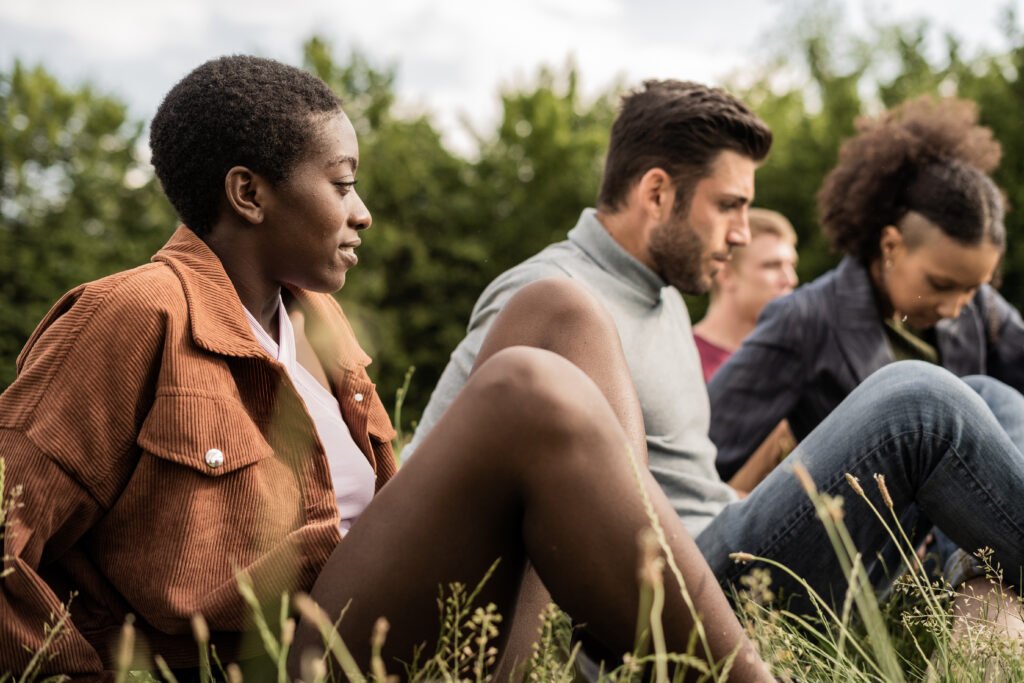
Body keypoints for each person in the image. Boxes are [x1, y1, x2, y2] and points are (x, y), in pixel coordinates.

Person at [0, 56, 774, 680]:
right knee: (527, 391)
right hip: (287, 661)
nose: (361, 210)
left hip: (408, 632)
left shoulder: (315, 322)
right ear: (248, 194)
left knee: (560, 312)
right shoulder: (135, 314)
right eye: (341, 184)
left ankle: (637, 648)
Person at [407, 80, 1024, 637]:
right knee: (921, 401)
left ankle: (985, 579)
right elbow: (440, 485)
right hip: (684, 593)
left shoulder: (664, 300)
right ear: (656, 192)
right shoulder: (548, 297)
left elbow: (703, 471)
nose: (742, 230)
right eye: (729, 205)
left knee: (985, 393)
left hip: (734, 551)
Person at [708, 96, 1024, 482]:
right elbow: (701, 451)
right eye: (940, 285)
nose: (955, 307)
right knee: (971, 395)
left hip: (978, 528)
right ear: (891, 246)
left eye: (974, 288)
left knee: (993, 401)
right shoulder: (805, 319)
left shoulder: (980, 307)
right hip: (872, 522)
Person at [693, 208, 798, 493]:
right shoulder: (685, 358)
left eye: (791, 265)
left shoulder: (790, 364)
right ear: (726, 274)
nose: (790, 279)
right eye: (772, 265)